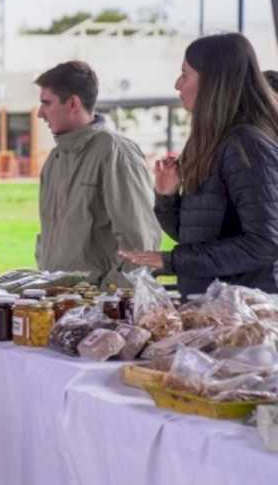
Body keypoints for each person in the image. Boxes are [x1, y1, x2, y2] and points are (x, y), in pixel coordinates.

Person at [119, 34, 278, 296]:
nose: (177, 84)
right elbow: (192, 238)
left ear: (213, 82)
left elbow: (265, 243)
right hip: (211, 308)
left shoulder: (246, 144)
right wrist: (167, 197)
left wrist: (171, 261)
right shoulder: (212, 141)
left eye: (185, 75)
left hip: (244, 315)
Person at [34, 61, 161, 287]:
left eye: (46, 103)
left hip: (97, 311)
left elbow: (140, 245)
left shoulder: (115, 152)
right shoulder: (54, 160)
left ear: (73, 103)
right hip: (59, 304)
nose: (40, 113)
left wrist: (105, 301)